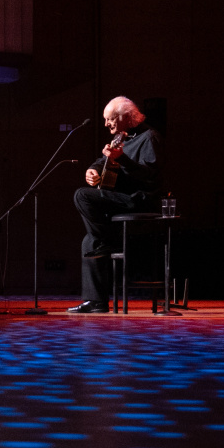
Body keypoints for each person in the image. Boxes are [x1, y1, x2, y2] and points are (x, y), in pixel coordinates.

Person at [71, 96, 164, 313]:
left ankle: (107, 240)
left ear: (125, 116)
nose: (106, 124)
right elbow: (103, 161)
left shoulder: (150, 138)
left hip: (140, 200)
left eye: (110, 119)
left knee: (82, 196)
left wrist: (122, 159)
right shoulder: (121, 139)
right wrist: (92, 170)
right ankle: (96, 302)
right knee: (89, 241)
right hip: (122, 199)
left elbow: (150, 176)